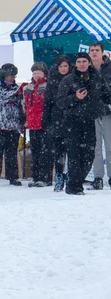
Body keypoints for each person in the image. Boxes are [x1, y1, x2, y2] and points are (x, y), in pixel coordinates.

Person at [57, 52, 111, 195]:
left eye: (84, 61)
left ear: (88, 63)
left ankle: (75, 181)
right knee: (74, 155)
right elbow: (60, 102)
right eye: (79, 61)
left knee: (89, 154)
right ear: (76, 63)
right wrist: (75, 97)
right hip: (72, 120)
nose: (82, 64)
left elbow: (106, 95)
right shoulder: (68, 80)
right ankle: (74, 187)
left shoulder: (97, 77)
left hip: (89, 120)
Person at [0, 64, 24, 187]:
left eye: (14, 76)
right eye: (10, 76)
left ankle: (12, 177)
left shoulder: (16, 88)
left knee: (12, 152)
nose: (12, 78)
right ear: (4, 75)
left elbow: (20, 104)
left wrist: (18, 98)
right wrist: (12, 96)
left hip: (13, 125)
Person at [42, 56, 71, 192]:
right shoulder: (52, 82)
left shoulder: (74, 79)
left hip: (72, 119)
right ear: (57, 68)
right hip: (57, 119)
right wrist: (45, 119)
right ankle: (59, 176)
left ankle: (70, 175)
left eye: (65, 66)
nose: (63, 69)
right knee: (59, 151)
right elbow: (47, 103)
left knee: (72, 151)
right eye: (61, 66)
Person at [23, 62, 52, 187]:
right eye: (34, 73)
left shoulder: (48, 86)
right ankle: (35, 176)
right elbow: (24, 105)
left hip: (44, 123)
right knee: (35, 151)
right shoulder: (27, 87)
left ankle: (45, 177)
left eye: (39, 73)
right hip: (32, 123)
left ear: (44, 73)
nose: (36, 75)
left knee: (45, 151)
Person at [89, 42, 111, 190]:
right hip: (91, 113)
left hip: (108, 112)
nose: (94, 52)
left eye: (97, 50)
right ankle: (97, 177)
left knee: (110, 146)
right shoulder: (86, 69)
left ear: (102, 52)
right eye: (92, 50)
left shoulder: (109, 68)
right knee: (95, 147)